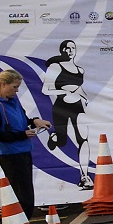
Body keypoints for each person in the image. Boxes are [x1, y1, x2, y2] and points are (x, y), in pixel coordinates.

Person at [0, 70, 52, 218]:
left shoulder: (13, 101)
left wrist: (35, 121)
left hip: (23, 152)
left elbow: (24, 119)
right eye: (14, 87)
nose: (17, 90)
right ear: (3, 84)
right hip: (11, 156)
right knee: (23, 197)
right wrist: (22, 134)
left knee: (26, 194)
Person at [43, 40, 93, 189]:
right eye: (67, 48)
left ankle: (84, 176)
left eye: (73, 48)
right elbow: (46, 90)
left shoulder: (80, 70)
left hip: (77, 106)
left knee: (83, 138)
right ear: (62, 50)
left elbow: (79, 88)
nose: (70, 50)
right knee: (62, 141)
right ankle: (55, 137)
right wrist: (65, 91)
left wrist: (85, 98)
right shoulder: (55, 67)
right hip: (61, 106)